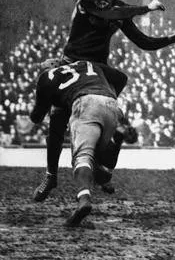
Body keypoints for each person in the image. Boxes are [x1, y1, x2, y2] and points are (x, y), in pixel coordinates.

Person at [33, 0, 175, 202]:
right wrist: (145, 8)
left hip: (98, 70)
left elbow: (143, 42)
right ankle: (51, 176)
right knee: (57, 122)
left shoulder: (120, 9)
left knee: (118, 82)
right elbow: (109, 14)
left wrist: (172, 39)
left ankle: (100, 161)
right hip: (74, 64)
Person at [30, 59, 130, 227]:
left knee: (82, 157)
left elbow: (36, 117)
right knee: (103, 160)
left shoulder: (47, 76)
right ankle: (116, 139)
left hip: (84, 103)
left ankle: (83, 199)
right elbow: (121, 77)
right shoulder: (87, 64)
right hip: (111, 103)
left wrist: (50, 101)